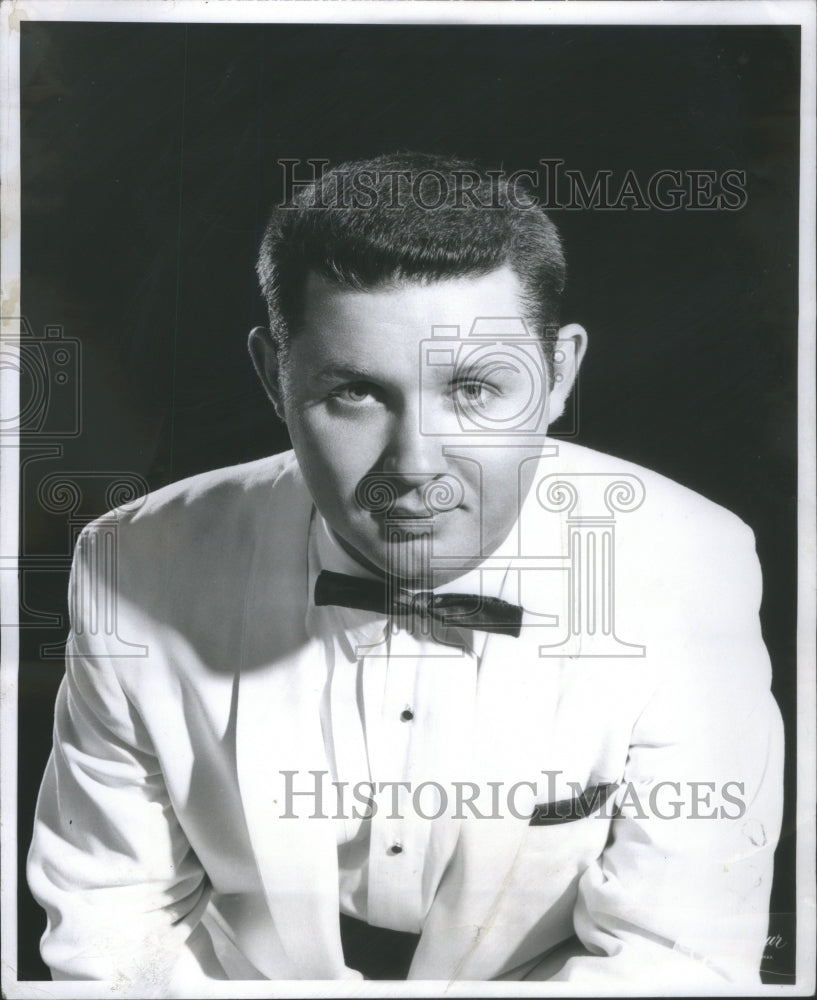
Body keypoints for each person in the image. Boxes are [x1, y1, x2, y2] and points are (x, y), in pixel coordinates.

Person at [28, 152, 783, 992]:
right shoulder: (133, 564)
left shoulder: (690, 564)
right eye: (355, 393)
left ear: (559, 374)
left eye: (472, 389)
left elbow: (675, 955)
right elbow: (109, 927)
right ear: (271, 379)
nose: (415, 465)